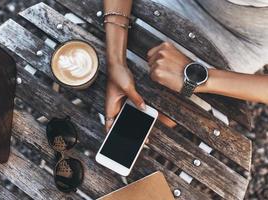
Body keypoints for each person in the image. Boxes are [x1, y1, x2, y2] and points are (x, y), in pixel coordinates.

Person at [103, 0, 268, 131]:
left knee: (163, 109)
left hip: (245, 40)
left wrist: (200, 80)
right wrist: (116, 62)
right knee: (129, 77)